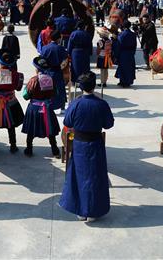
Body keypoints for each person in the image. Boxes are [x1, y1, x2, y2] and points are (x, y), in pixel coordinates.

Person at [59, 72, 115, 222]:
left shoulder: (76, 103)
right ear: (94, 85)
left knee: (79, 176)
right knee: (95, 177)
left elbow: (68, 122)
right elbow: (108, 124)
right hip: (96, 143)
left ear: (81, 87)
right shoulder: (101, 104)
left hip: (79, 145)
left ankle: (80, 210)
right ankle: (93, 210)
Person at [21, 56, 61, 158]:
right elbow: (55, 93)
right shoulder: (51, 79)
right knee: (50, 130)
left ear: (36, 69)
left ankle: (29, 149)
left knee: (31, 129)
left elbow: (25, 96)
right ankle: (55, 149)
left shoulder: (33, 80)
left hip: (34, 108)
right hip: (47, 108)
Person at [0, 50, 24, 153]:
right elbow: (19, 88)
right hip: (11, 102)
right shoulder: (17, 75)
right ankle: (13, 146)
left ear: (0, 61)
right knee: (10, 124)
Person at [39, 30, 68, 110]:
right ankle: (62, 107)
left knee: (48, 89)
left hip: (47, 71)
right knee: (60, 89)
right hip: (57, 71)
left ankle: (48, 106)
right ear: (58, 38)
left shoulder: (44, 48)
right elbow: (65, 59)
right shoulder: (60, 48)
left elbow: (41, 60)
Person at [113, 20, 137, 88]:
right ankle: (128, 82)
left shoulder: (121, 34)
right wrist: (133, 52)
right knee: (129, 68)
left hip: (123, 53)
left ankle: (123, 81)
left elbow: (118, 45)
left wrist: (116, 54)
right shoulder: (133, 34)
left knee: (122, 67)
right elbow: (135, 44)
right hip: (130, 53)